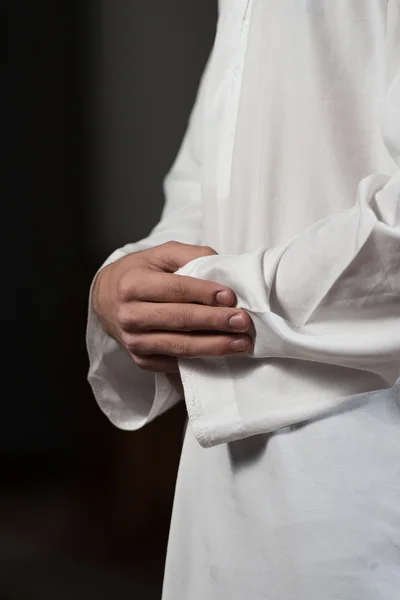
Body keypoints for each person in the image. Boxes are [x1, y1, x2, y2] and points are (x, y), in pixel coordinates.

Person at [87, 1, 400, 598]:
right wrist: (123, 283)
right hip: (218, 488)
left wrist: (227, 303)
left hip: (366, 485)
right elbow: (205, 191)